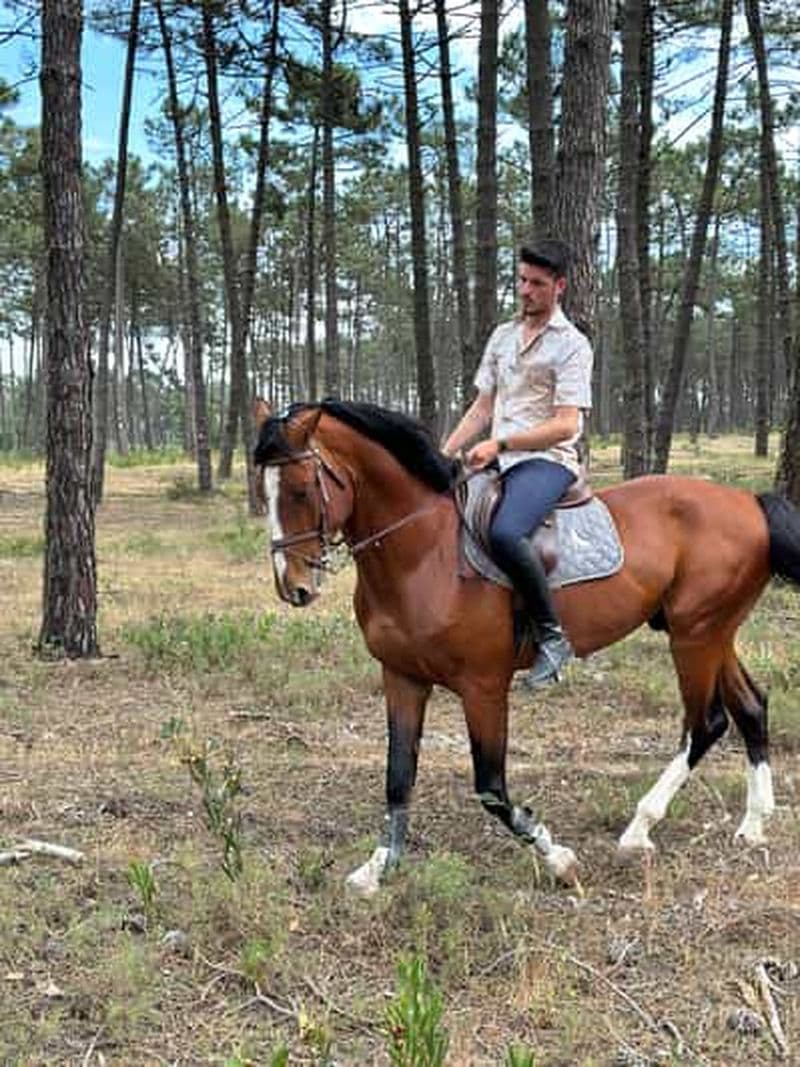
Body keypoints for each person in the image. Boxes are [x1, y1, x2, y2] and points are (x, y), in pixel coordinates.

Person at [442, 237, 593, 687]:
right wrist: (446, 453)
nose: (526, 290)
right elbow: (481, 407)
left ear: (559, 286)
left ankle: (551, 636)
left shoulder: (573, 346)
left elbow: (566, 424)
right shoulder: (503, 336)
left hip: (547, 461)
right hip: (497, 458)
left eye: (537, 283)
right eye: (522, 280)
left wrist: (501, 445)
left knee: (506, 531)